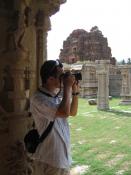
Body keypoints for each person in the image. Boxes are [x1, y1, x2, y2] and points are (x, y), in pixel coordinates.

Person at [30, 59, 80, 175]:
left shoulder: (54, 97)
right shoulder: (38, 99)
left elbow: (72, 112)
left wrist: (75, 92)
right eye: (61, 76)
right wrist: (67, 86)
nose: (64, 79)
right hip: (50, 161)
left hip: (61, 158)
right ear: (50, 79)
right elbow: (63, 112)